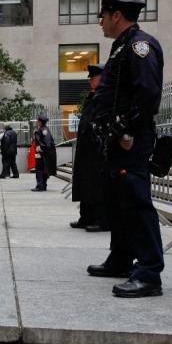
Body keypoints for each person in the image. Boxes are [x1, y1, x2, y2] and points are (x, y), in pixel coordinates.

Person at [87, 0, 165, 298]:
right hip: (117, 138)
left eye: (103, 17)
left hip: (130, 138)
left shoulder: (139, 46)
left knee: (135, 200)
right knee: (119, 201)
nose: (101, 23)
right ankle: (121, 258)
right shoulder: (122, 46)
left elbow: (147, 93)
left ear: (116, 15)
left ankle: (149, 272)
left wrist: (127, 130)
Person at [71, 64, 109, 233]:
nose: (89, 81)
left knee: (97, 185)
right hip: (86, 149)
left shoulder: (106, 96)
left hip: (98, 149)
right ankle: (85, 216)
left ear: (102, 77)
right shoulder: (92, 97)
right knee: (85, 182)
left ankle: (101, 219)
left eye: (92, 78)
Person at [32, 113, 56, 191]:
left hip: (41, 153)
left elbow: (47, 142)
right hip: (39, 153)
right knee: (40, 168)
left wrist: (40, 147)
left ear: (40, 121)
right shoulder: (42, 129)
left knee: (39, 168)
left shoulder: (44, 129)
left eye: (38, 120)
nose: (37, 121)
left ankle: (40, 185)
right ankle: (42, 184)